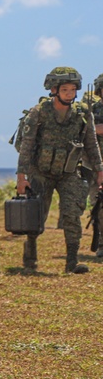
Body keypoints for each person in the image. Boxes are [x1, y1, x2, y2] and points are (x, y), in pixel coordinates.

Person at [16, 67, 103, 274]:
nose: (69, 94)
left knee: (72, 216)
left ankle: (72, 262)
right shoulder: (39, 112)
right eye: (65, 90)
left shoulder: (82, 114)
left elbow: (92, 145)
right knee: (37, 216)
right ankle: (30, 260)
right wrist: (21, 177)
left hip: (69, 173)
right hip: (41, 173)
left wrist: (100, 170)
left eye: (73, 90)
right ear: (54, 89)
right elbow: (27, 146)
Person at [86, 74, 103, 256]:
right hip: (96, 166)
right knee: (98, 206)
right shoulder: (91, 110)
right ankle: (101, 244)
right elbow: (87, 131)